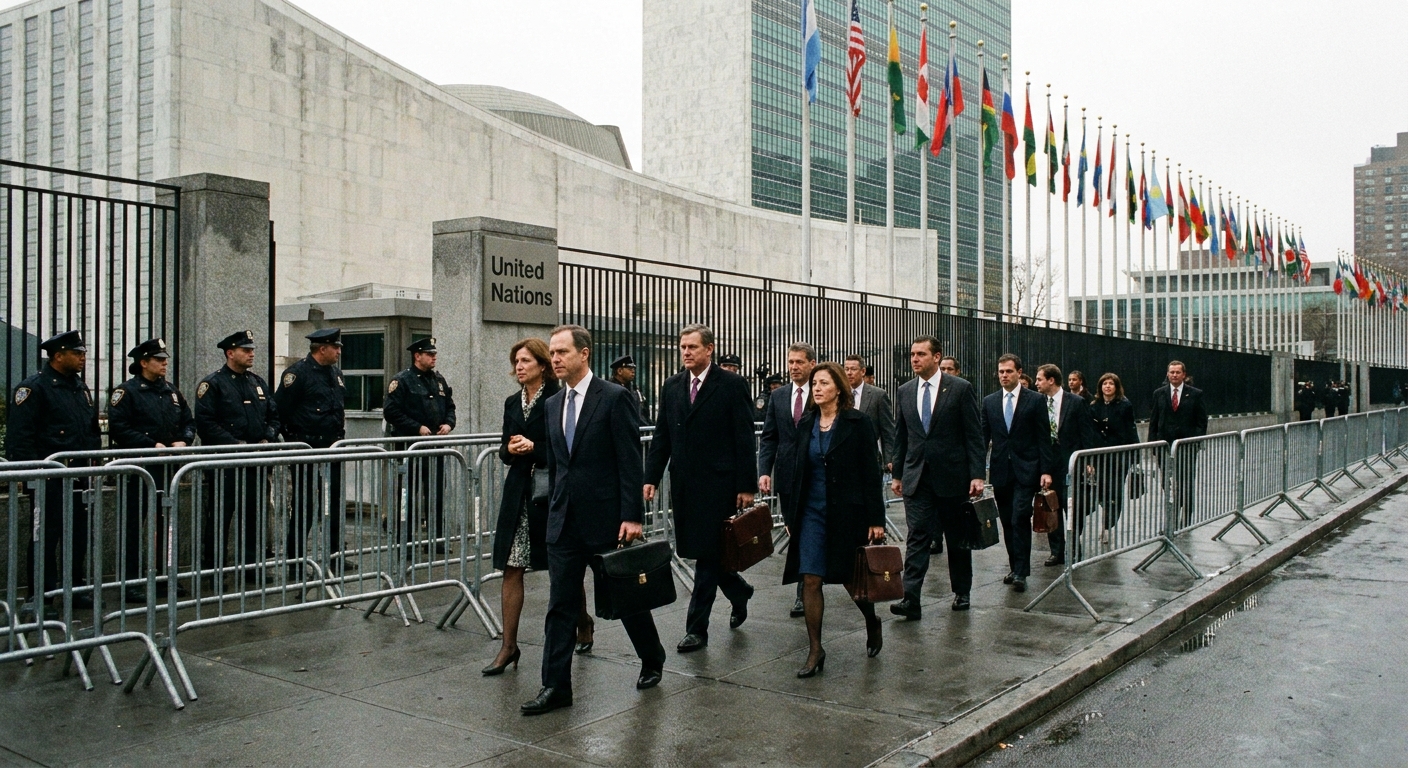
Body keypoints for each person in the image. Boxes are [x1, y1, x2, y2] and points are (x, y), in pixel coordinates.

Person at [521, 325, 665, 716]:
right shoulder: (553, 404)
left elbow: (629, 460)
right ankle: (555, 686)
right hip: (564, 521)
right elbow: (557, 463)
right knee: (561, 605)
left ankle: (652, 657)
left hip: (606, 520)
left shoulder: (614, 398)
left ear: (584, 354)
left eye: (562, 352)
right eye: (552, 352)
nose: (555, 359)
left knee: (625, 597)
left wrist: (632, 516)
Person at [644, 325, 758, 653]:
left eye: (693, 346)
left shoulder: (732, 385)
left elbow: (742, 436)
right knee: (704, 552)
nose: (686, 352)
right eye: (682, 347)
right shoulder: (672, 386)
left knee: (707, 558)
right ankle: (739, 591)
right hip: (685, 484)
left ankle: (697, 629)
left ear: (710, 349)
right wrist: (650, 477)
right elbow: (663, 435)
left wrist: (746, 486)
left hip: (719, 485)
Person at [484, 338, 590, 676]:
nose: (519, 367)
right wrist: (510, 450)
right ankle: (508, 646)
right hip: (518, 496)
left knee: (563, 569)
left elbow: (566, 450)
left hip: (550, 494)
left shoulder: (558, 399)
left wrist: (534, 447)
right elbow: (503, 448)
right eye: (516, 361)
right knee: (511, 567)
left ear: (542, 366)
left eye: (526, 361)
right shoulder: (512, 402)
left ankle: (583, 620)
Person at [786, 362, 887, 677]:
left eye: (823, 383)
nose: (816, 388)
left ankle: (872, 620)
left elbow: (871, 473)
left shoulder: (858, 424)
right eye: (814, 383)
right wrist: (791, 514)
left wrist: (876, 519)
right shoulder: (806, 424)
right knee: (811, 578)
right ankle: (816, 649)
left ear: (839, 389)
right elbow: (795, 472)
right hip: (812, 512)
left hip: (847, 511)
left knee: (850, 579)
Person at [5, 331, 101, 607]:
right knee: (44, 535)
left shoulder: (78, 387)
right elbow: (19, 438)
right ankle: (41, 593)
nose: (83, 357)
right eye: (77, 353)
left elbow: (89, 430)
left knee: (77, 532)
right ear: (58, 355)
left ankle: (75, 587)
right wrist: (33, 473)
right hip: (49, 475)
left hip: (79, 474)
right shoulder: (34, 388)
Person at [890, 336, 985, 615]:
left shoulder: (959, 389)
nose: (915, 359)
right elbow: (901, 436)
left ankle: (962, 591)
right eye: (912, 354)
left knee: (956, 538)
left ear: (936, 356)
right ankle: (911, 598)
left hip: (952, 476)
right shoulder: (905, 391)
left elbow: (973, 435)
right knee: (917, 535)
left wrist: (977, 474)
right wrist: (897, 474)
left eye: (921, 354)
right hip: (917, 476)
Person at [107, 338, 194, 601]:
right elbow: (119, 427)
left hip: (166, 468)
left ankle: (164, 577)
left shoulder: (170, 391)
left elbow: (188, 420)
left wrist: (184, 439)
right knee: (133, 525)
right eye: (158, 359)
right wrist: (149, 443)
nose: (165, 362)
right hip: (139, 468)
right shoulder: (127, 392)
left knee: (165, 524)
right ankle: (130, 582)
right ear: (143, 363)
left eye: (165, 358)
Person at [194, 330, 280, 581]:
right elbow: (206, 423)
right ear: (230, 353)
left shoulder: (257, 382)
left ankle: (252, 567)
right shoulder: (213, 384)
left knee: (254, 516)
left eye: (252, 349)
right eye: (246, 350)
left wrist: (268, 437)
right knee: (221, 516)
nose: (251, 353)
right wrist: (236, 444)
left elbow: (273, 415)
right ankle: (214, 570)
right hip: (226, 462)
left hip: (255, 460)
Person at [981, 354, 1055, 593]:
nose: (1004, 375)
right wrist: (977, 472)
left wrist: (1045, 470)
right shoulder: (990, 402)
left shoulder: (1035, 401)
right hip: (1001, 470)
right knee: (1007, 521)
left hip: (1027, 469)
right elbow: (983, 438)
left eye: (1009, 371)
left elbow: (1044, 437)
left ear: (1019, 373)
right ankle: (1014, 567)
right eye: (1001, 371)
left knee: (1020, 516)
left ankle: (1022, 571)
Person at [275, 328, 347, 566]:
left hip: (333, 448)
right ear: (322, 349)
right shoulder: (297, 375)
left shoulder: (335, 374)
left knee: (334, 504)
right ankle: (295, 560)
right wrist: (295, 441)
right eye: (335, 347)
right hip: (306, 449)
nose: (338, 351)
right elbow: (280, 411)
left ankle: (335, 556)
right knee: (305, 506)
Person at [758, 342, 816, 619]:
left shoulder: (821, 392)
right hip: (787, 477)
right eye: (791, 362)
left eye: (799, 362)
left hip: (816, 475)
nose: (793, 367)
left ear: (811, 364)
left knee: (809, 532)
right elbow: (769, 436)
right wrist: (764, 471)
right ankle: (805, 584)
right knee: (795, 531)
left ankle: (805, 591)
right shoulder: (779, 396)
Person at [383, 337, 457, 547]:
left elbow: (450, 406)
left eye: (435, 354)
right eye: (429, 354)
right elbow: (391, 411)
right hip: (411, 449)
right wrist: (416, 427)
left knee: (436, 495)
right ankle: (403, 540)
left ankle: (437, 539)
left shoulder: (438, 379)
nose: (434, 357)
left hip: (435, 448)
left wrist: (449, 424)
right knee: (408, 496)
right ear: (417, 356)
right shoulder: (402, 380)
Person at [1035, 363, 1094, 566]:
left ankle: (1074, 548)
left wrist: (1087, 460)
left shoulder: (1076, 402)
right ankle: (1057, 551)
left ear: (1051, 380)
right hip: (1047, 462)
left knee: (1073, 507)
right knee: (1051, 506)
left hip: (1070, 462)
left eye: (1039, 379)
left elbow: (1086, 432)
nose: (1036, 383)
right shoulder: (1038, 402)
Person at [1148, 360, 1208, 526]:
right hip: (1164, 447)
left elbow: (1202, 421)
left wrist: (1195, 442)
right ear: (1167, 374)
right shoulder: (1159, 393)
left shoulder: (1195, 394)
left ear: (1184, 375)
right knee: (1166, 483)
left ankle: (1185, 518)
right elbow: (1153, 420)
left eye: (1177, 372)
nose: (1174, 375)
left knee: (1185, 483)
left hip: (1186, 447)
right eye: (1171, 372)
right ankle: (1172, 517)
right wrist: (1152, 444)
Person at [1089, 373, 1140, 541]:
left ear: (1117, 387)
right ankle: (1105, 521)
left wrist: (1135, 457)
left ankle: (1108, 526)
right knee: (1101, 490)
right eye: (1104, 383)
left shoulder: (1124, 405)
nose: (1108, 386)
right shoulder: (1094, 405)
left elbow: (1130, 429)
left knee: (1114, 490)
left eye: (1111, 384)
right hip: (1099, 455)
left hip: (1119, 455)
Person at [844, 354, 896, 472]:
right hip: (844, 459)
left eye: (853, 369)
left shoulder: (878, 395)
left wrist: (890, 460)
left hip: (869, 459)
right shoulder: (839, 394)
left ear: (863, 371)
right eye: (846, 369)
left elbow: (888, 431)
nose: (849, 373)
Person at [610, 354, 647, 418]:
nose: (633, 371)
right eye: (630, 369)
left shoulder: (635, 390)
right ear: (620, 371)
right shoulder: (610, 390)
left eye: (633, 369)